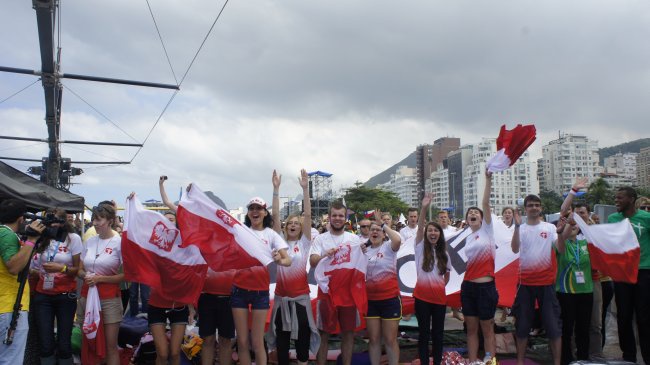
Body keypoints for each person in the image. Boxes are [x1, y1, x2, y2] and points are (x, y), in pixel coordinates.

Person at [232, 191, 291, 365]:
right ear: (248, 212)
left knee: (257, 342)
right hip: (239, 290)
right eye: (252, 208)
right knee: (242, 342)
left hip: (260, 292)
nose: (255, 211)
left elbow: (287, 260)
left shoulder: (270, 234)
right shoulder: (240, 232)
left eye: (259, 208)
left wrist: (279, 259)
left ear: (265, 212)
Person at [267, 169, 319, 365]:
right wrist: (275, 189)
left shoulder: (305, 243)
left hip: (300, 300)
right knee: (282, 341)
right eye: (291, 223)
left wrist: (305, 189)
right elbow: (276, 216)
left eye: (297, 223)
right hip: (282, 300)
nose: (294, 225)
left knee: (302, 340)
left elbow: (307, 213)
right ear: (286, 225)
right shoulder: (278, 240)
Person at [511, 194, 563, 365]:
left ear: (541, 208)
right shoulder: (521, 228)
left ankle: (557, 362)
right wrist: (517, 227)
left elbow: (560, 249)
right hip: (525, 284)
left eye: (537, 205)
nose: (534, 208)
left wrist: (561, 233)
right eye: (530, 205)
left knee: (553, 327)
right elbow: (514, 248)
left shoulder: (549, 228)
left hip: (546, 283)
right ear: (525, 209)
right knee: (523, 327)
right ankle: (520, 362)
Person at [309, 201, 363, 365]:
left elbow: (363, 259)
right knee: (324, 333)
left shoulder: (354, 239)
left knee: (348, 333)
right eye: (335, 215)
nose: (338, 218)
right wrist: (325, 254)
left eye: (341, 215)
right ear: (329, 217)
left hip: (348, 294)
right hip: (327, 293)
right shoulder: (320, 239)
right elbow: (312, 261)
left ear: (346, 218)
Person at [30, 209, 82, 365]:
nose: (53, 224)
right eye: (49, 220)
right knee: (45, 343)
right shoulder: (41, 238)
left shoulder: (73, 239)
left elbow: (77, 270)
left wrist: (62, 269)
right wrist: (34, 271)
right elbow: (33, 265)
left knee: (64, 343)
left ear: (63, 222)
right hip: (43, 295)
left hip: (65, 295)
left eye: (57, 220)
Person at [77, 203, 124, 365]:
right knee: (89, 342)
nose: (95, 224)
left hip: (109, 298)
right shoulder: (90, 241)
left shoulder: (119, 242)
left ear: (110, 220)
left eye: (99, 220)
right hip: (87, 296)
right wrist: (86, 276)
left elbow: (126, 276)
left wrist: (100, 279)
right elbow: (79, 269)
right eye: (93, 220)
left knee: (110, 346)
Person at [608, 186, 650, 364]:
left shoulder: (647, 218)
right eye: (615, 198)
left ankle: (648, 357)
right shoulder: (612, 219)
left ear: (632, 199)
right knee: (624, 317)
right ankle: (629, 357)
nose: (616, 201)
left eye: (620, 198)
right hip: (623, 274)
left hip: (644, 272)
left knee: (644, 317)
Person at [0, 199, 45, 363]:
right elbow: (13, 266)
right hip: (9, 307)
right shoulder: (6, 234)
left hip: (7, 306)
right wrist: (31, 240)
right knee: (11, 359)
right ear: (21, 218)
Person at [460, 170, 498, 364]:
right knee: (472, 329)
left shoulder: (488, 230)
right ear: (467, 220)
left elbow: (485, 203)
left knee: (487, 328)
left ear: (483, 218)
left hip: (486, 288)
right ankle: (473, 361)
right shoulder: (467, 238)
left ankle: (490, 361)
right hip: (468, 288)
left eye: (476, 213)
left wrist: (488, 180)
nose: (472, 214)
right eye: (469, 213)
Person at [414, 194, 450, 365]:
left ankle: (436, 362)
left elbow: (447, 276)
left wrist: (438, 287)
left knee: (438, 334)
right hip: (421, 298)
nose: (433, 233)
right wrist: (424, 208)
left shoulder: (445, 254)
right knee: (423, 334)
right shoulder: (420, 248)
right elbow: (420, 228)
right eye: (430, 230)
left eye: (436, 230)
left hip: (439, 300)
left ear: (440, 234)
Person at [364, 214, 402, 365]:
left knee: (390, 339)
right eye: (372, 230)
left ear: (383, 234)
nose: (375, 232)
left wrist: (383, 225)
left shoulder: (389, 247)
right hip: (370, 301)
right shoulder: (363, 250)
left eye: (378, 230)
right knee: (373, 339)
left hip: (390, 300)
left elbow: (398, 240)